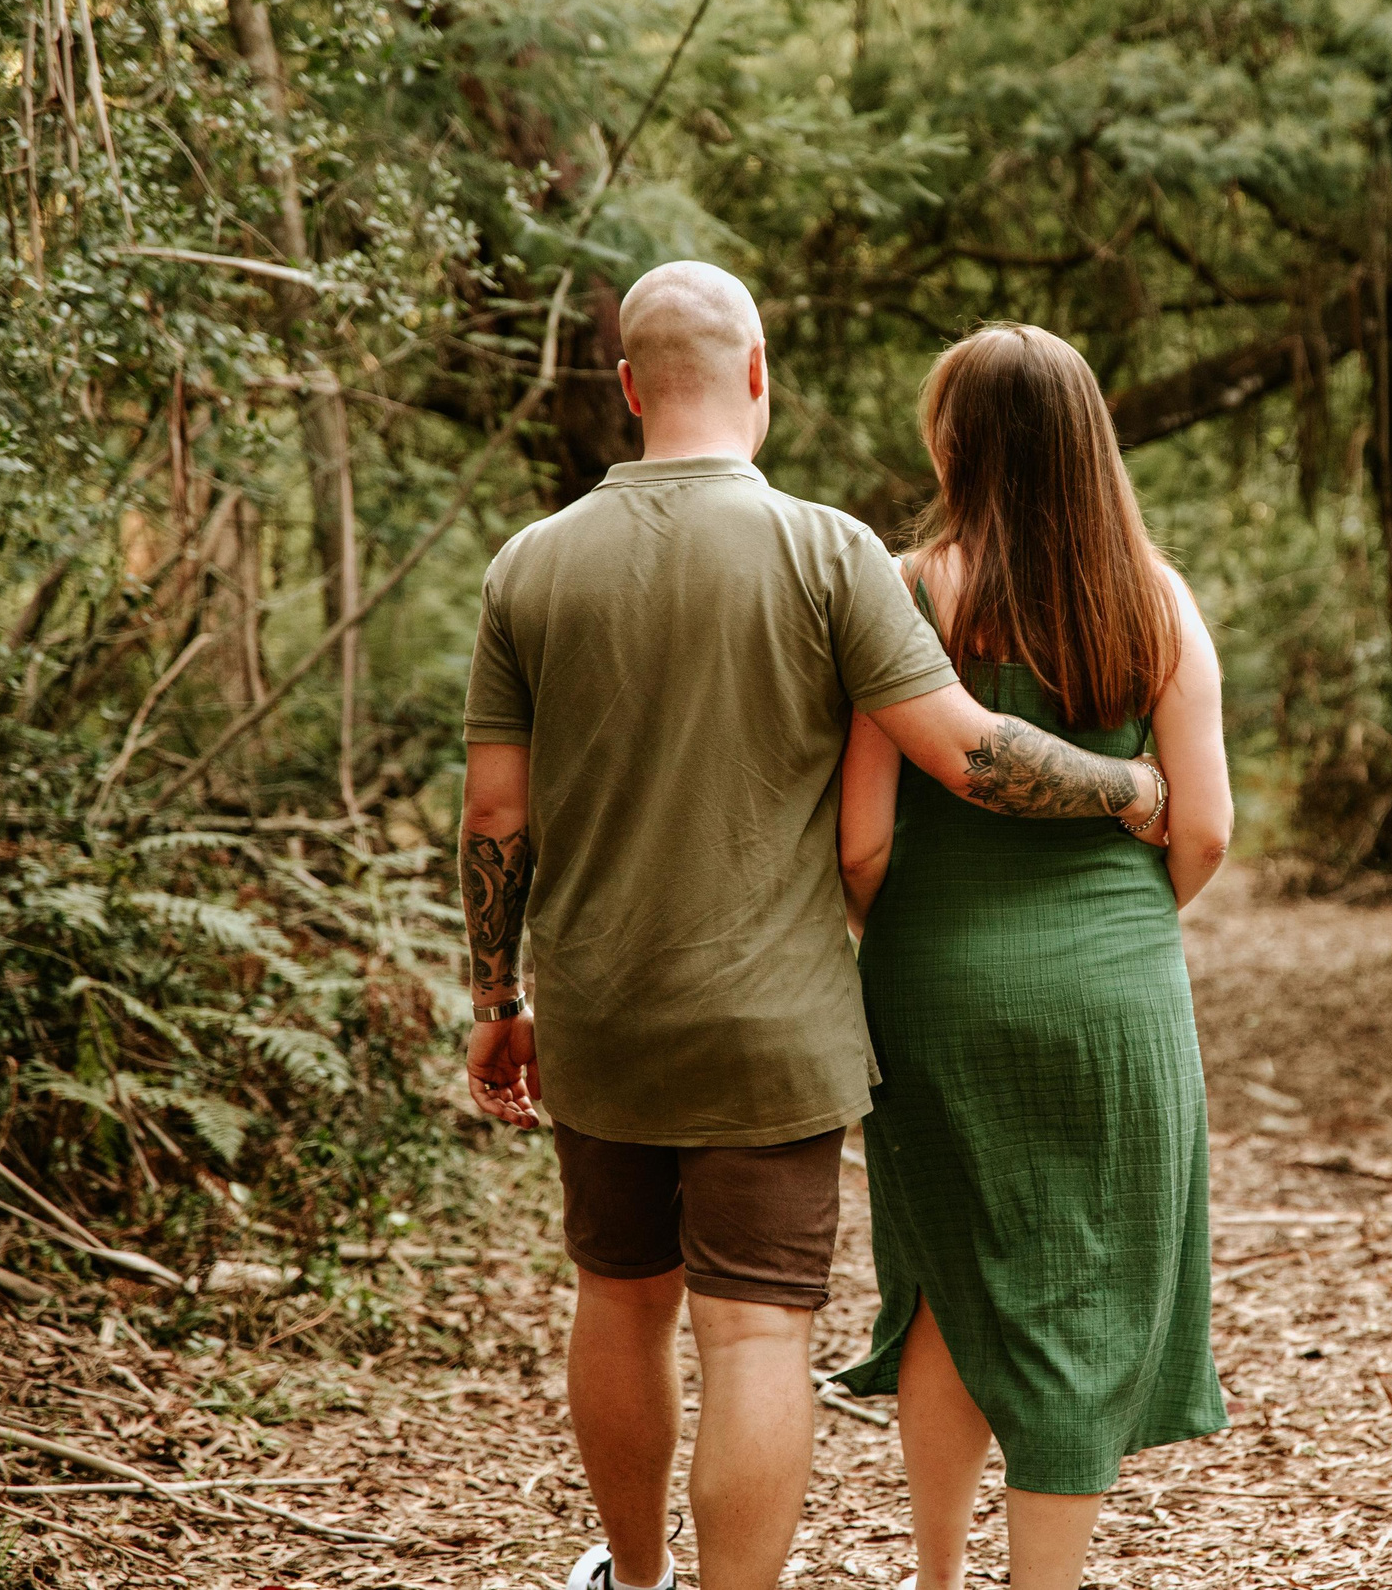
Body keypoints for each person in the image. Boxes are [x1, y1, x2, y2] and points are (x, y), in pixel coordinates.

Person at [457, 265, 1171, 1590]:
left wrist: (497, 997)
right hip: (776, 1021)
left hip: (600, 1006)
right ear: (760, 371)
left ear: (627, 385)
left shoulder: (531, 563)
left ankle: (633, 1575)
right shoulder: (829, 549)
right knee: (754, 1335)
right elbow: (964, 752)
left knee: (619, 1297)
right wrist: (1128, 786)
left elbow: (496, 810)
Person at [832, 324, 1234, 1590]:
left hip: (935, 978)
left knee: (949, 1274)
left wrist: (912, 936)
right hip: (1115, 977)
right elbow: (1206, 827)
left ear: (955, 442)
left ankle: (939, 1579)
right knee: (1089, 1288)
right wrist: (1112, 914)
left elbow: (859, 843)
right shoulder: (1157, 601)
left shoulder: (904, 592)